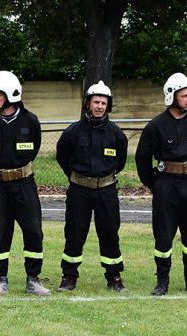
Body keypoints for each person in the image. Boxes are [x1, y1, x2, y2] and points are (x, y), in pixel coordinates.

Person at [135, 72, 187, 296]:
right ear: (171, 96)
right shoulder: (156, 125)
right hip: (165, 185)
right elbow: (142, 157)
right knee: (164, 234)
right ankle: (162, 281)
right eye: (184, 95)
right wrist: (153, 183)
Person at [0, 71, 50, 296]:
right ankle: (1, 280)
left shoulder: (30, 121)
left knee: (33, 231)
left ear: (10, 95)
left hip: (24, 184)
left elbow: (35, 147)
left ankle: (33, 279)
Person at [56, 81, 128, 292]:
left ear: (108, 105)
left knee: (109, 233)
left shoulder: (116, 134)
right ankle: (69, 277)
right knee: (75, 232)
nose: (99, 106)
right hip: (79, 190)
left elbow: (120, 162)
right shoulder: (73, 132)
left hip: (107, 190)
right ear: (87, 103)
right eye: (96, 101)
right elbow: (62, 157)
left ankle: (114, 277)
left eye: (103, 103)